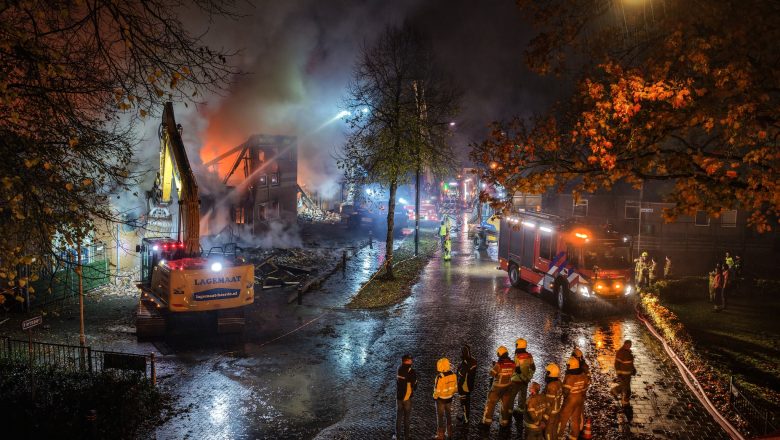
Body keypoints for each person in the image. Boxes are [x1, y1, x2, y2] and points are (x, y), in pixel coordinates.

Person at [480, 346, 516, 430]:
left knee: (491, 404)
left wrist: (493, 366)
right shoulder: (512, 363)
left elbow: (492, 374)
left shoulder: (498, 364)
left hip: (497, 388)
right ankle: (504, 422)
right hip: (508, 387)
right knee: (505, 405)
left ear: (500, 354)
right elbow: (513, 373)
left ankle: (486, 422)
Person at [558, 357, 590, 440]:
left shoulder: (570, 377)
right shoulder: (583, 375)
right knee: (575, 420)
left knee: (562, 419)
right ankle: (574, 437)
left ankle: (559, 436)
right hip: (579, 400)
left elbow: (565, 392)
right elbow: (585, 387)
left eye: (568, 365)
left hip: (570, 401)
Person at [510, 338, 536, 420]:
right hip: (525, 381)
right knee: (522, 397)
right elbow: (533, 368)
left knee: (511, 397)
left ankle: (508, 413)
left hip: (515, 380)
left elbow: (516, 370)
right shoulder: (529, 356)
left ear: (518, 346)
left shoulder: (517, 356)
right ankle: (520, 412)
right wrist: (528, 378)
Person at [394, 354, 418, 440]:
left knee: (399, 417)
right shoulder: (411, 371)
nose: (412, 361)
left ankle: (397, 436)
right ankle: (406, 437)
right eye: (410, 360)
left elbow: (398, 382)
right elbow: (414, 384)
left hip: (399, 397)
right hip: (407, 398)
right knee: (407, 418)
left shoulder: (399, 369)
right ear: (406, 361)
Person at [433, 357, 457, 440]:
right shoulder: (453, 375)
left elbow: (437, 391)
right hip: (449, 399)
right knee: (448, 415)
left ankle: (440, 436)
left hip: (440, 400)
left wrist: (435, 397)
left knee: (440, 417)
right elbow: (455, 388)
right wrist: (450, 394)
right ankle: (449, 433)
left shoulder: (439, 377)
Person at [610, 340, 636, 406]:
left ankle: (618, 394)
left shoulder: (628, 352)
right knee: (626, 387)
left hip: (628, 373)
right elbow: (616, 364)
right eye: (628, 345)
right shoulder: (621, 352)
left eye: (630, 345)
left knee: (626, 386)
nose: (629, 346)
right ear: (624, 344)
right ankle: (624, 400)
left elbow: (630, 363)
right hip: (623, 373)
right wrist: (619, 374)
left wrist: (633, 369)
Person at [457, 344, 477, 424]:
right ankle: (465, 416)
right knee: (467, 401)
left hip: (464, 386)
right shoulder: (474, 361)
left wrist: (459, 386)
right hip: (470, 384)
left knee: (464, 403)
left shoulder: (464, 364)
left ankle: (465, 419)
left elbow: (461, 376)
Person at [542, 363, 563, 440]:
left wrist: (545, 417)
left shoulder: (551, 386)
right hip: (557, 411)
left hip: (551, 413)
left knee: (548, 432)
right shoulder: (559, 382)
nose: (546, 374)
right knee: (554, 430)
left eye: (547, 372)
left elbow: (549, 403)